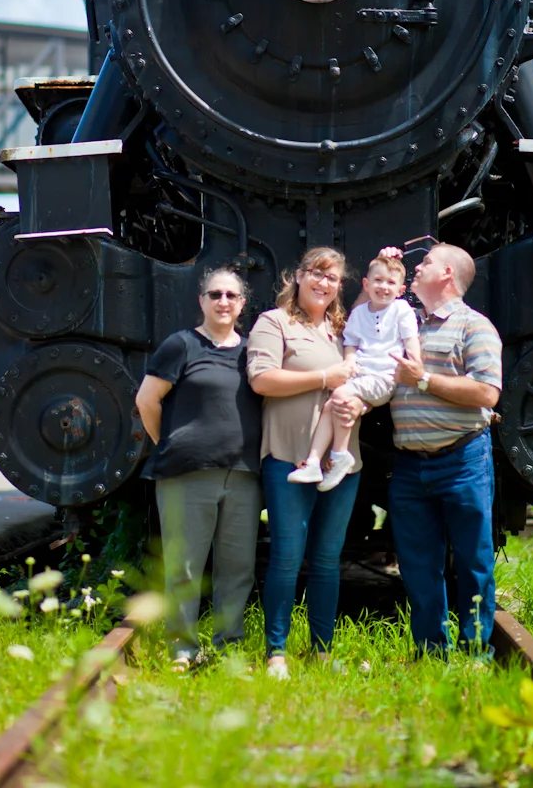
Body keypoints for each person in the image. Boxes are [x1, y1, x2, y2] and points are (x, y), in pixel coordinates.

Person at [135, 266, 262, 670]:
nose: (223, 302)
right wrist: (169, 444)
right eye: (214, 294)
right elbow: (146, 401)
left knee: (237, 569)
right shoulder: (181, 345)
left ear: (242, 304)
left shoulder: (252, 352)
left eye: (231, 295)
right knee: (185, 568)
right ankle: (182, 650)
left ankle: (229, 648)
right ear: (201, 301)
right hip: (186, 474)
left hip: (243, 473)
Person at [247, 247, 362, 679]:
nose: (324, 283)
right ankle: (276, 651)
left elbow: (365, 381)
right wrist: (323, 378)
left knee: (328, 559)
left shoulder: (344, 332)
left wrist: (359, 406)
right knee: (287, 557)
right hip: (288, 458)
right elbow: (261, 380)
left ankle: (322, 650)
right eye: (316, 273)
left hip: (341, 465)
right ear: (298, 277)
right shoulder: (273, 323)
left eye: (332, 278)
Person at [382, 242, 502, 657]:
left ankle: (474, 652)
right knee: (417, 566)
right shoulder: (406, 322)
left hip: (461, 460)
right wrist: (385, 267)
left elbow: (487, 392)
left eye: (426, 262)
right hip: (411, 465)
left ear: (448, 274)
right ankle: (431, 651)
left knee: (473, 563)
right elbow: (368, 313)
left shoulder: (475, 327)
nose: (417, 267)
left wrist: (424, 380)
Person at [288, 254, 421, 492]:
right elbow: (351, 341)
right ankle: (314, 461)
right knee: (332, 405)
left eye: (391, 283)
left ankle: (339, 455)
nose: (383, 287)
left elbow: (411, 341)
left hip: (384, 377)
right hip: (361, 374)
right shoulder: (360, 313)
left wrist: (415, 364)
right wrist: (349, 361)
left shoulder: (401, 309)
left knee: (338, 398)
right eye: (378, 281)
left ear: (401, 290)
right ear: (366, 285)